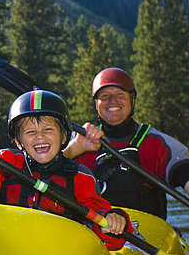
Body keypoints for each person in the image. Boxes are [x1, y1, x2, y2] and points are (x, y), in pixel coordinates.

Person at [0, 90, 132, 251]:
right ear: (19, 142)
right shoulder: (5, 162)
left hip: (53, 254)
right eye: (30, 132)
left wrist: (110, 221)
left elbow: (101, 227)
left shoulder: (79, 177)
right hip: (3, 246)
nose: (39, 136)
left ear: (64, 137)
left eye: (48, 129)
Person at [63, 68, 189, 220]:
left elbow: (184, 172)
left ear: (132, 100)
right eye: (105, 96)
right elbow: (44, 171)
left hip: (147, 235)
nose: (112, 101)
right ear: (96, 104)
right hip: (94, 233)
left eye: (120, 94)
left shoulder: (155, 142)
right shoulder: (80, 141)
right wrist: (73, 150)